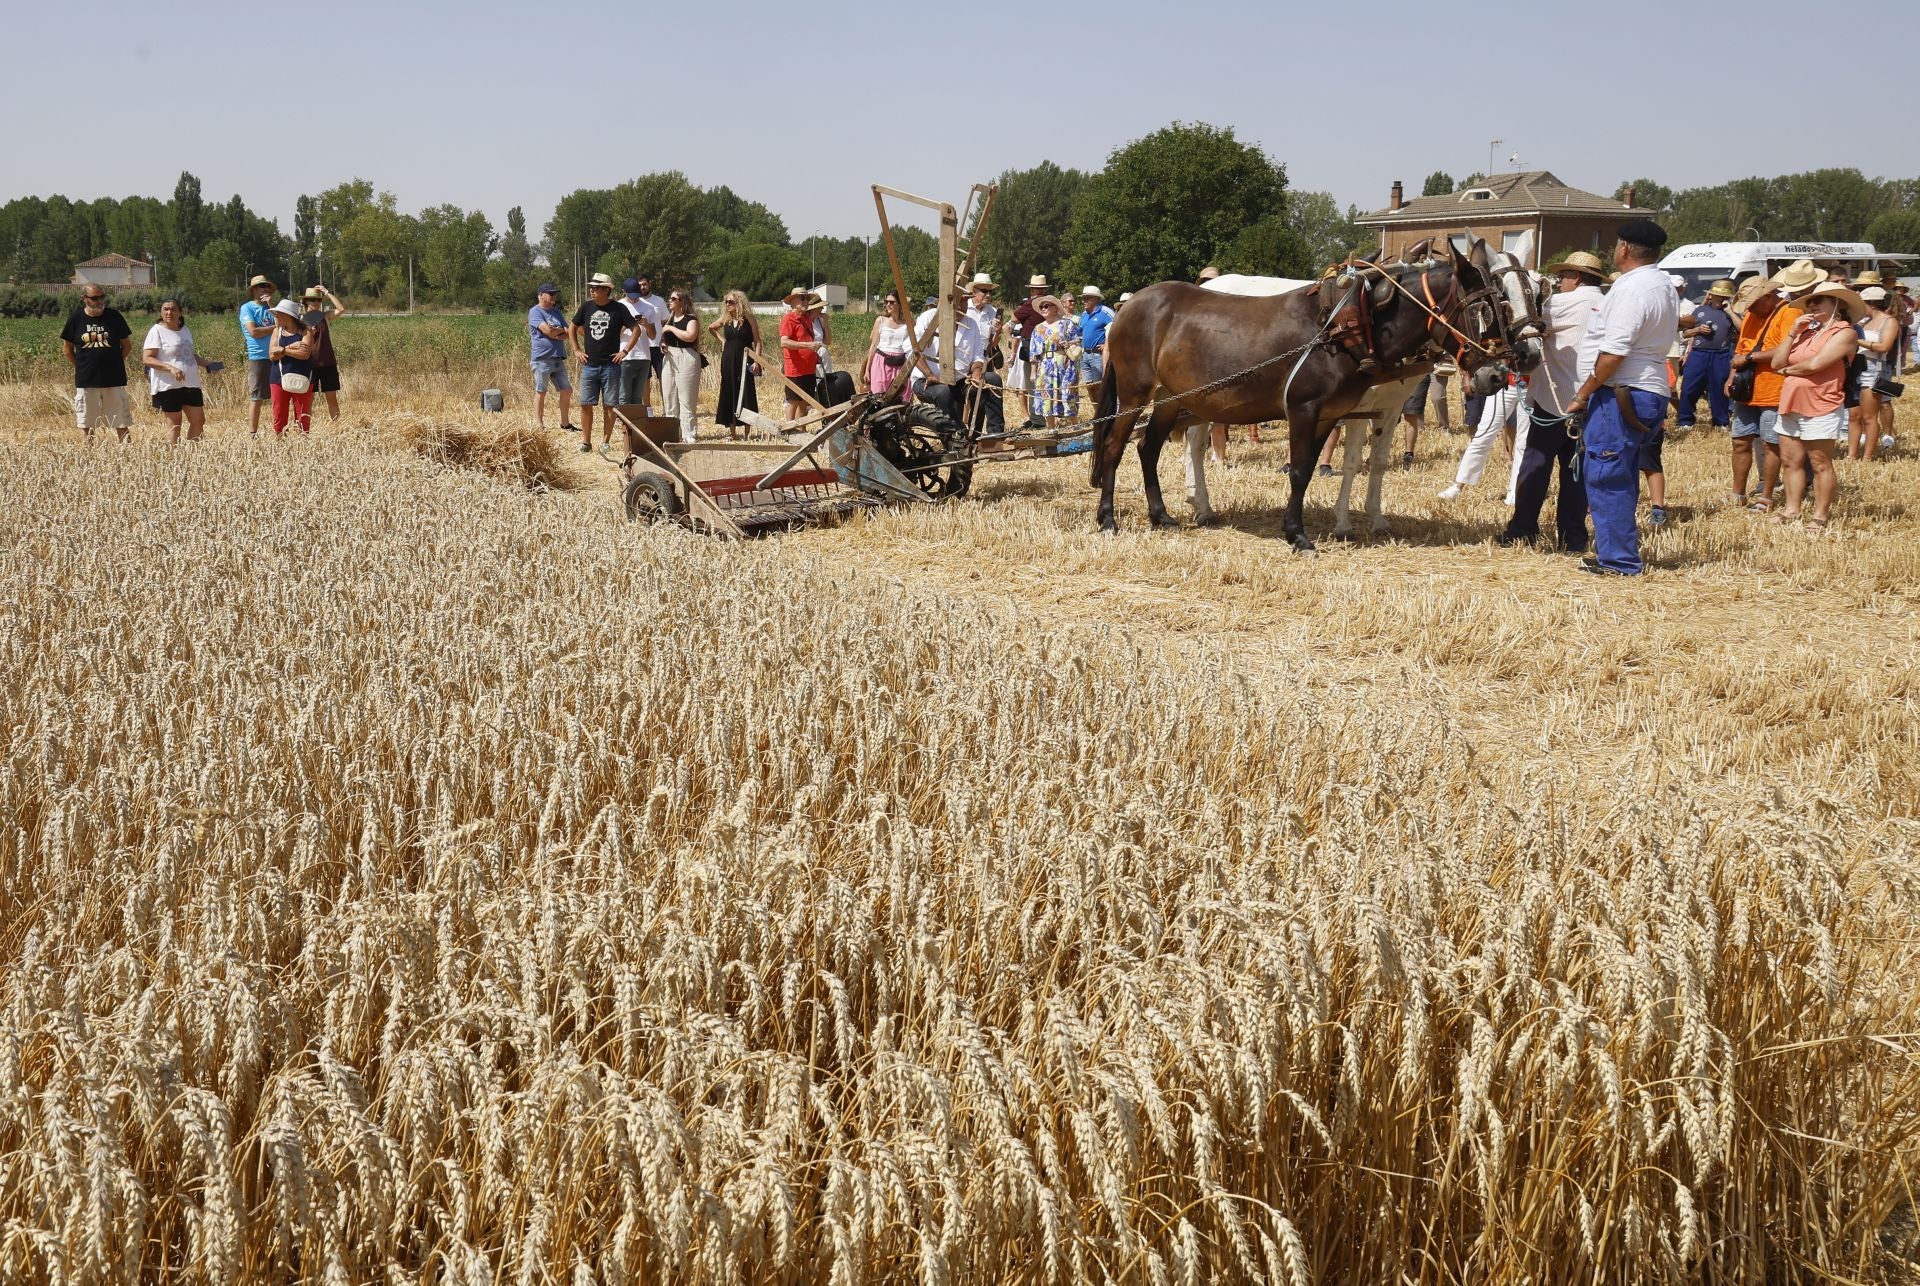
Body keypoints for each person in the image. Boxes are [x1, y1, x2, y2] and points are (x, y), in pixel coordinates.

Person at [1563, 219, 1679, 576]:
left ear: (1625, 248)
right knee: (1619, 473)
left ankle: (1619, 561)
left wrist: (1583, 393)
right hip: (1641, 390)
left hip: (1621, 394)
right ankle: (1616, 552)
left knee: (1607, 474)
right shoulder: (1661, 284)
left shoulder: (1634, 289)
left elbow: (1614, 353)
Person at [1499, 252, 1606, 550]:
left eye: (1564, 278)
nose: (1559, 284)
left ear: (1578, 277)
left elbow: (1524, 320)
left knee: (1535, 465)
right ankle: (1573, 538)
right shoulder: (1606, 303)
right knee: (1576, 474)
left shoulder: (1564, 303)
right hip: (1592, 400)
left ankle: (1523, 529)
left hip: (1557, 401)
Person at [1762, 280, 1860, 531]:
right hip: (1791, 402)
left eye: (1818, 300)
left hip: (1822, 403)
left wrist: (1787, 371)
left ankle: (1820, 514)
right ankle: (1792, 509)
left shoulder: (1845, 332)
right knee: (1790, 460)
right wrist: (1793, 332)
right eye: (1809, 302)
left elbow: (1816, 364)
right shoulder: (1806, 332)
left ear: (1836, 304)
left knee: (1819, 462)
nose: (1811, 304)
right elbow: (1776, 362)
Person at [1726, 266, 1808, 511]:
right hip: (1747, 390)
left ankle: (1766, 495)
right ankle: (1737, 493)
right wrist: (1731, 375)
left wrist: (1749, 358)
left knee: (1770, 444)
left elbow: (1786, 351)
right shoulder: (1752, 315)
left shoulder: (1790, 312)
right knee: (1740, 441)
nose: (1749, 309)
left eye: (1753, 303)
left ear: (1769, 297)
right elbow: (1742, 348)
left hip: (1775, 390)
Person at [912, 287, 996, 432]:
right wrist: (929, 375)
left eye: (964, 301)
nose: (963, 305)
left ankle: (992, 434)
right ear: (948, 302)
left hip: (959, 380)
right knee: (943, 392)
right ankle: (957, 436)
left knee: (992, 379)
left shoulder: (971, 323)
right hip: (927, 381)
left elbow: (977, 356)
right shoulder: (928, 318)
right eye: (958, 301)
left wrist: (976, 372)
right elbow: (912, 350)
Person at [60, 284, 133, 441]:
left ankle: (128, 457)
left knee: (121, 422)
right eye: (95, 298)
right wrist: (81, 368)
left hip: (113, 380)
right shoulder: (76, 318)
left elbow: (127, 346)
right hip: (87, 381)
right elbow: (67, 349)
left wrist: (115, 363)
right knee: (87, 424)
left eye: (102, 297)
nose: (100, 301)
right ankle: (88, 458)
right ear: (84, 299)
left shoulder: (114, 316)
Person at [571, 273, 631, 453]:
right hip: (590, 365)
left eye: (596, 288)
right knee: (585, 403)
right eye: (591, 287)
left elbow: (635, 330)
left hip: (611, 366)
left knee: (610, 405)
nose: (592, 290)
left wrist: (624, 351)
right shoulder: (586, 307)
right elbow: (572, 327)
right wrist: (576, 350)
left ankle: (605, 442)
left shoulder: (619, 309)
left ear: (607, 290)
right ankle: (586, 442)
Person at [141, 296, 214, 444]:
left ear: (180, 312)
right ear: (161, 313)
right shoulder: (157, 331)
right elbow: (147, 358)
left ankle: (192, 456)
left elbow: (189, 355)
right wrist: (170, 368)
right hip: (168, 385)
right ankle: (172, 458)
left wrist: (207, 364)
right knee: (174, 424)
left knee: (199, 421)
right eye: (166, 309)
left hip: (191, 383)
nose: (169, 312)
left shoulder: (185, 330)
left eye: (173, 309)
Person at [1435, 373, 1519, 501]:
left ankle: (1515, 490)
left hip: (1534, 385)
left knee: (1525, 442)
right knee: (1482, 437)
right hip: (1505, 383)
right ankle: (1457, 487)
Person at [1676, 279, 1736, 430]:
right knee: (1689, 387)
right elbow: (1686, 333)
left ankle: (1721, 421)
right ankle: (1685, 420)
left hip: (1721, 355)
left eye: (1724, 296)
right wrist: (1698, 330)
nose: (1720, 299)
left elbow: (1741, 330)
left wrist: (1730, 311)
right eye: (1717, 296)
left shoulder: (1732, 313)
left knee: (1719, 390)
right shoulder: (1699, 311)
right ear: (1711, 295)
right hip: (1699, 354)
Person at [1853, 285, 1898, 460]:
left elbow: (1884, 346)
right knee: (1856, 415)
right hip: (1859, 367)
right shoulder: (1863, 321)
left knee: (1869, 416)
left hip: (1875, 368)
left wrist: (1857, 340)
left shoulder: (1889, 321)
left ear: (1871, 303)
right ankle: (1858, 453)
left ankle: (1868, 456)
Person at [712, 289, 761, 438]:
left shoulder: (749, 319)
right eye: (726, 301)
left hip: (745, 359)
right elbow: (711, 327)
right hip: (728, 359)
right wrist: (722, 340)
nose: (728, 304)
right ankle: (732, 432)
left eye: (731, 302)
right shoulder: (725, 319)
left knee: (747, 392)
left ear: (739, 302)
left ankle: (747, 433)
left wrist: (757, 361)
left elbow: (757, 341)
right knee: (729, 390)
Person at [527, 282, 574, 433]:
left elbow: (568, 333)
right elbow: (547, 330)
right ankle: (539, 424)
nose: (554, 296)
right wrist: (555, 332)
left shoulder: (556, 312)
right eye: (550, 293)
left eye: (555, 293)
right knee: (541, 391)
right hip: (542, 359)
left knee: (566, 390)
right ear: (540, 295)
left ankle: (565, 423)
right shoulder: (535, 312)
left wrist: (557, 331)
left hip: (558, 358)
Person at [657, 288, 702, 443]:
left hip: (686, 357)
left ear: (682, 301)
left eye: (673, 298)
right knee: (669, 396)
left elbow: (690, 336)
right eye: (670, 298)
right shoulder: (669, 320)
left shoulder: (690, 319)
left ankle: (689, 432)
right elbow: (663, 337)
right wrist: (662, 343)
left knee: (686, 398)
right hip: (669, 356)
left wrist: (670, 328)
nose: (670, 301)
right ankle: (672, 432)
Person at [268, 299, 316, 435]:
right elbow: (271, 355)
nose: (276, 317)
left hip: (303, 376)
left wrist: (282, 351)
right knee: (278, 414)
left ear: (288, 315)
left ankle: (302, 444)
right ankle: (278, 444)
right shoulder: (276, 331)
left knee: (303, 416)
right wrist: (290, 347)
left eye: (279, 314)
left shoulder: (306, 332)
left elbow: (304, 354)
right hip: (278, 378)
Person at [1027, 295, 1077, 427]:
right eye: (1041, 307)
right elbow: (1033, 352)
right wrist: (1033, 372)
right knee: (1046, 396)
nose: (1043, 309)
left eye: (1046, 306)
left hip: (1064, 364)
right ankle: (1051, 429)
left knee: (1067, 395)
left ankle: (1076, 427)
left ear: (1056, 308)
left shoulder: (1067, 324)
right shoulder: (1038, 328)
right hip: (1045, 365)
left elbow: (1079, 340)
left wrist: (1069, 343)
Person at [238, 275, 278, 436]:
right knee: (257, 396)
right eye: (262, 286)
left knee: (279, 395)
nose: (266, 289)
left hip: (277, 354)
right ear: (254, 290)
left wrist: (272, 306)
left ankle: (279, 429)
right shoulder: (247, 308)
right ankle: (252, 433)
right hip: (259, 357)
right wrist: (277, 327)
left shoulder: (273, 308)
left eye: (268, 286)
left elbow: (286, 324)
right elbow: (254, 332)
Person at [301, 284, 346, 422]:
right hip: (309, 364)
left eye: (319, 300)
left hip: (328, 363)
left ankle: (338, 427)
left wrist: (327, 292)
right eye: (313, 300)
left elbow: (341, 309)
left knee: (332, 400)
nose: (316, 302)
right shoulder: (301, 320)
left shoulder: (325, 316)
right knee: (308, 401)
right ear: (306, 301)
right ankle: (305, 431)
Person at [779, 285, 823, 418]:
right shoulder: (789, 319)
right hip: (795, 370)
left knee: (804, 403)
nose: (805, 301)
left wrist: (814, 355)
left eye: (807, 298)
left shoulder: (807, 319)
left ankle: (801, 432)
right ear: (793, 302)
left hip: (808, 369)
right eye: (802, 298)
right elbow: (784, 342)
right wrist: (808, 346)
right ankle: (789, 433)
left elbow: (807, 339)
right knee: (793, 402)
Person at [618, 278, 660, 410]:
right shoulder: (618, 307)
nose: (635, 299)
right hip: (626, 357)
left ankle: (634, 426)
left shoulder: (648, 307)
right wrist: (627, 324)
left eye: (637, 296)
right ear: (624, 291)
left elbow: (653, 336)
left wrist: (646, 325)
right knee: (624, 395)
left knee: (637, 396)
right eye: (632, 296)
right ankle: (625, 424)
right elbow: (614, 335)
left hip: (644, 357)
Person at [862, 292, 913, 402]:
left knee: (901, 398)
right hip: (881, 363)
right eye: (886, 302)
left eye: (892, 302)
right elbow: (874, 345)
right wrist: (867, 370)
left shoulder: (908, 323)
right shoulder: (880, 320)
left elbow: (912, 346)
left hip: (900, 364)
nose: (888, 304)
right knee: (879, 398)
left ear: (899, 304)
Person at [1015, 274, 1048, 427]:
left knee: (1032, 384)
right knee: (1043, 384)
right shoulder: (1047, 303)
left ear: (1033, 289)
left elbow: (1015, 319)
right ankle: (1044, 417)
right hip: (1046, 347)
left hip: (1031, 347)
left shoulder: (1030, 304)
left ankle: (1037, 420)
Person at [1077, 286, 1114, 392]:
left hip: (1098, 355)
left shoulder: (1106, 312)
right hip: (1085, 355)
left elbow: (1116, 330)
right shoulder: (1084, 314)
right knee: (1090, 387)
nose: (1084, 301)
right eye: (1083, 298)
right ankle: (1096, 408)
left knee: (1100, 386)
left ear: (1096, 299)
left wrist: (1107, 345)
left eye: (1087, 298)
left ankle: (1104, 407)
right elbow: (1080, 333)